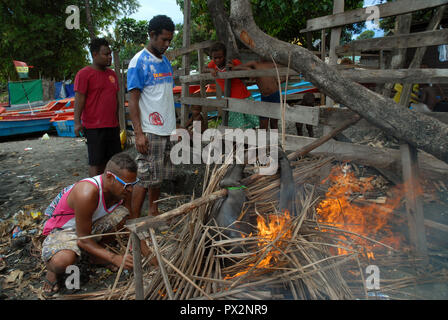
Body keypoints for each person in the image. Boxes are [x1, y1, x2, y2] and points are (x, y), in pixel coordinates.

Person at [40, 152, 137, 295]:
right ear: (110, 177)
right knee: (63, 261)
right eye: (127, 185)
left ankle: (96, 256)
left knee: (123, 215)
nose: (131, 189)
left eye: (133, 184)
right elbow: (83, 239)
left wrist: (142, 248)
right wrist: (114, 258)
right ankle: (51, 269)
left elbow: (131, 222)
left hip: (87, 224)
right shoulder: (87, 192)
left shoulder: (122, 190)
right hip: (63, 230)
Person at [127, 15, 176, 218]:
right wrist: (138, 133)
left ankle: (153, 213)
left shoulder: (165, 62)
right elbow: (133, 101)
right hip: (150, 130)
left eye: (169, 41)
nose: (166, 44)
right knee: (145, 177)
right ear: (152, 35)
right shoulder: (138, 62)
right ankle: (134, 220)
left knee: (159, 176)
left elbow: (165, 98)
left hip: (167, 129)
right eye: (163, 39)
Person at [74, 38, 122, 177]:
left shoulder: (112, 75)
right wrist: (77, 123)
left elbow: (115, 99)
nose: (109, 57)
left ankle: (111, 192)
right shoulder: (84, 74)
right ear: (95, 55)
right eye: (105, 54)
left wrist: (117, 121)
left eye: (110, 54)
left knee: (114, 161)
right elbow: (79, 99)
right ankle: (95, 192)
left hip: (112, 126)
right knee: (96, 162)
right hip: (94, 127)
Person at [204, 42, 259, 129]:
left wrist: (234, 68)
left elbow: (248, 72)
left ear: (225, 56)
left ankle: (257, 140)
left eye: (220, 57)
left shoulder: (234, 62)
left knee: (255, 121)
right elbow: (204, 68)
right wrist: (210, 69)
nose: (217, 60)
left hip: (245, 96)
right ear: (212, 57)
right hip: (231, 101)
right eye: (215, 58)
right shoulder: (212, 65)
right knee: (238, 127)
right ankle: (242, 142)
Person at [232, 58, 285, 130]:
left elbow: (286, 73)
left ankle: (273, 140)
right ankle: (263, 140)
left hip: (275, 95)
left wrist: (278, 81)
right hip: (265, 97)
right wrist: (247, 69)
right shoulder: (255, 63)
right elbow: (240, 66)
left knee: (274, 122)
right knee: (263, 123)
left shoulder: (272, 64)